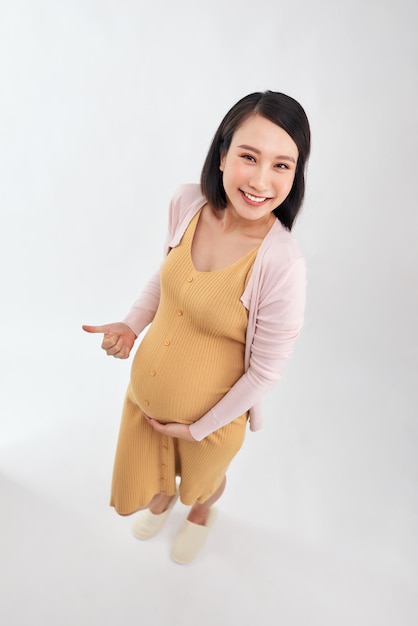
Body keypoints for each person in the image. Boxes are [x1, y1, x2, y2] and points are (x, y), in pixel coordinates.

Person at [83, 90, 311, 564]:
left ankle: (201, 511)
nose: (261, 180)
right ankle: (165, 497)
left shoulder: (281, 263)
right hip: (144, 401)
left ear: (296, 173)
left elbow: (265, 374)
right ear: (223, 154)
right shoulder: (187, 203)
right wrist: (131, 324)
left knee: (202, 484)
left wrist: (199, 428)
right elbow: (168, 276)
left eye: (282, 165)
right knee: (159, 476)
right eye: (249, 157)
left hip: (211, 426)